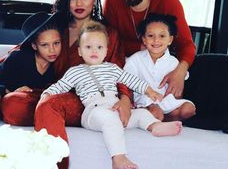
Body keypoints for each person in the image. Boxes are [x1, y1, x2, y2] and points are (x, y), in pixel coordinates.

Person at [40, 21, 183, 169]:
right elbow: (59, 87)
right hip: (94, 112)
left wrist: (150, 91)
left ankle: (155, 126)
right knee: (110, 121)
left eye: (99, 47)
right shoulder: (75, 72)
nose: (94, 51)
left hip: (115, 108)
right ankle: (118, 158)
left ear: (106, 50)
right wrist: (45, 95)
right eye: (88, 47)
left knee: (140, 113)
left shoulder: (112, 68)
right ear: (80, 51)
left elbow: (132, 81)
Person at [34, 0, 133, 169]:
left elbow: (117, 71)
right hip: (55, 92)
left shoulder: (108, 33)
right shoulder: (57, 27)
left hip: (87, 99)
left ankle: (55, 165)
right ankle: (47, 115)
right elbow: (22, 50)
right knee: (13, 105)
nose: (78, 2)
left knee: (48, 105)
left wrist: (125, 99)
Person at [103, 0, 196, 99]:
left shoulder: (168, 1)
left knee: (176, 104)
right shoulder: (113, 0)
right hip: (128, 69)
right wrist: (140, 47)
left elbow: (187, 45)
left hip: (160, 70)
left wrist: (180, 72)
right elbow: (109, 43)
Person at [0, 12, 63, 126]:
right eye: (45, 45)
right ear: (35, 46)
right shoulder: (18, 57)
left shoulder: (59, 64)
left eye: (56, 43)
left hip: (32, 106)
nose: (52, 50)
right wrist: (10, 91)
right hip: (4, 101)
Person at [124, 13, 196, 121]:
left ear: (170, 40)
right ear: (144, 39)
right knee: (155, 111)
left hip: (166, 101)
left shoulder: (174, 62)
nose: (156, 40)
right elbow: (127, 80)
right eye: (150, 36)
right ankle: (158, 116)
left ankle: (165, 117)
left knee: (189, 109)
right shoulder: (135, 59)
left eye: (162, 36)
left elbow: (179, 86)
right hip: (145, 100)